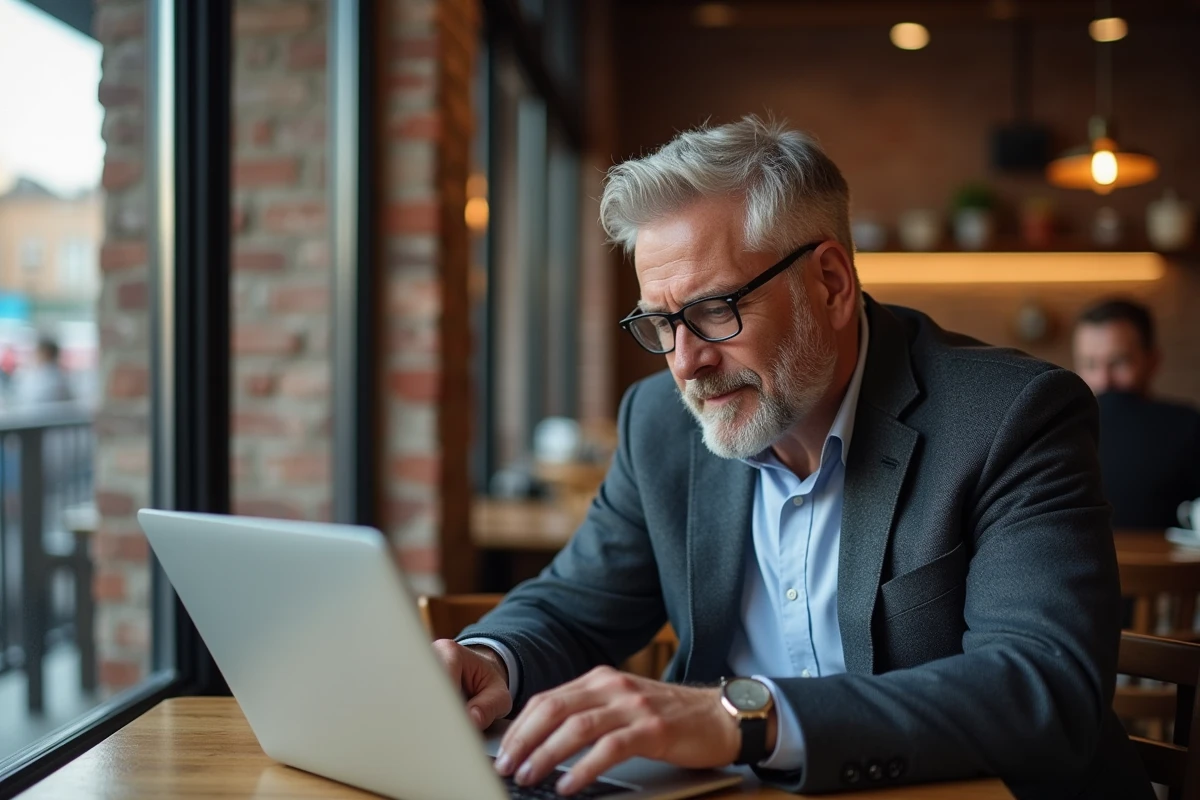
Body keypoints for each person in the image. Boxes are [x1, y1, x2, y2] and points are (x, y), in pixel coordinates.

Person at [436, 116, 1151, 798]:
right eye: (661, 322)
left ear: (831, 284)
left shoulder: (1010, 416)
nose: (686, 363)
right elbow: (573, 607)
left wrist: (741, 718)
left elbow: (1042, 688)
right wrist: (492, 659)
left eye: (715, 310)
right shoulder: (661, 424)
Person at [1073, 298, 1200, 529]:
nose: (1104, 380)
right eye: (1090, 364)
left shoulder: (1189, 427)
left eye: (1119, 362)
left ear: (1153, 361)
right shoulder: (1060, 432)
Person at [13, 335, 74, 407]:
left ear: (45, 353)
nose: (34, 355)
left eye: (37, 352)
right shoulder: (63, 377)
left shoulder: (37, 378)